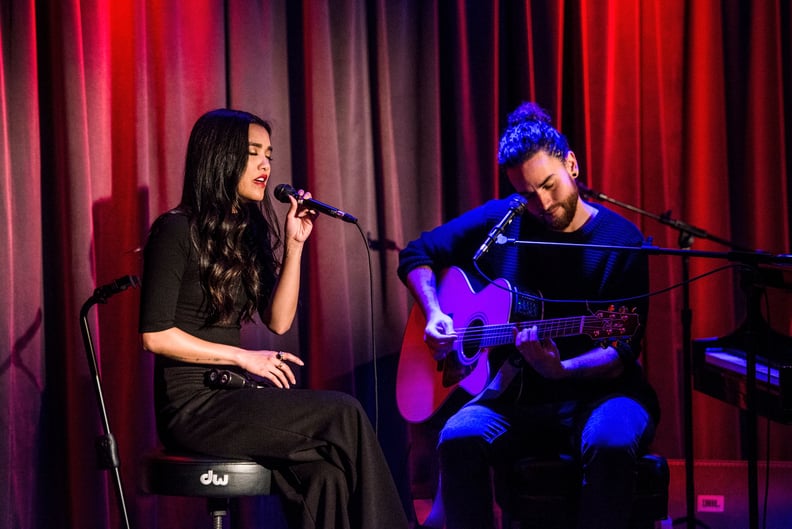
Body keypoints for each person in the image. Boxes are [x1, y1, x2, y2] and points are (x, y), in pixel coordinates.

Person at [139, 108, 409, 529]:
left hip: (232, 395)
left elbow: (278, 321)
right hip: (193, 406)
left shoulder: (247, 231)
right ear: (221, 157)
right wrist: (243, 358)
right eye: (253, 153)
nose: (266, 165)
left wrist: (296, 245)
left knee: (327, 476)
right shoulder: (175, 230)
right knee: (344, 412)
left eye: (269, 154)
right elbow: (155, 336)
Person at [397, 102, 660, 529]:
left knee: (610, 441)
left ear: (571, 165)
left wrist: (563, 369)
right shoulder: (505, 219)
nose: (542, 203)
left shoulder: (621, 240)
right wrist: (433, 313)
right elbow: (417, 253)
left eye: (549, 185)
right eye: (526, 194)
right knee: (459, 437)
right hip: (515, 397)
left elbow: (621, 350)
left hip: (604, 394)